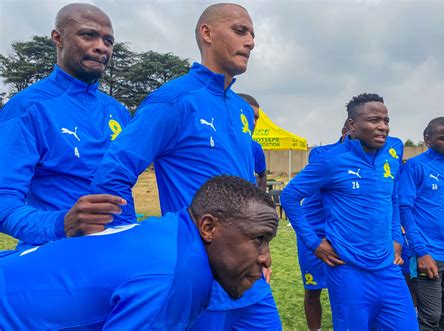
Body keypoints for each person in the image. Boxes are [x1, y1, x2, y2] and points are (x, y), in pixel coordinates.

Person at [92, 3, 282, 330]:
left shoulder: (240, 110)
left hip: (249, 280)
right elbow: (113, 172)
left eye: (252, 33)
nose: (251, 41)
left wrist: (258, 245)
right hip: (198, 279)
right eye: (240, 31)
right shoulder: (174, 100)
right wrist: (131, 242)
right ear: (206, 34)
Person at [0, 175, 279, 330]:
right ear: (208, 227)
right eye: (258, 239)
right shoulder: (177, 277)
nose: (266, 257)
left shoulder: (175, 231)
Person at [281, 93, 417, 330]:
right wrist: (313, 242)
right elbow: (289, 196)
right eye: (374, 120)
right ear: (352, 125)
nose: (382, 127)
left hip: (388, 269)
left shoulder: (392, 154)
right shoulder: (330, 160)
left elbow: (392, 196)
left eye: (386, 121)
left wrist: (397, 237)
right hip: (348, 269)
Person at [0, 3, 129, 249]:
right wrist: (61, 223)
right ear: (58, 38)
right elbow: (3, 201)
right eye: (88, 35)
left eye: (109, 40)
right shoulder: (28, 108)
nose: (101, 46)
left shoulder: (118, 111)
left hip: (121, 247)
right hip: (58, 253)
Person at [398, 117, 444, 330]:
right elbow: (405, 208)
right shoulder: (415, 166)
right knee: (430, 317)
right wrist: (420, 251)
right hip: (428, 255)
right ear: (428, 139)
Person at [296, 121, 348, 331]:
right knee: (313, 289)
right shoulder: (321, 153)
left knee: (346, 289)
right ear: (347, 131)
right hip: (314, 230)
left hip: (342, 234)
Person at [238, 93, 267, 191]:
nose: (254, 122)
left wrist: (260, 200)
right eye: (248, 115)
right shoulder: (211, 141)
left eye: (256, 117)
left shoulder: (255, 147)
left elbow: (262, 175)